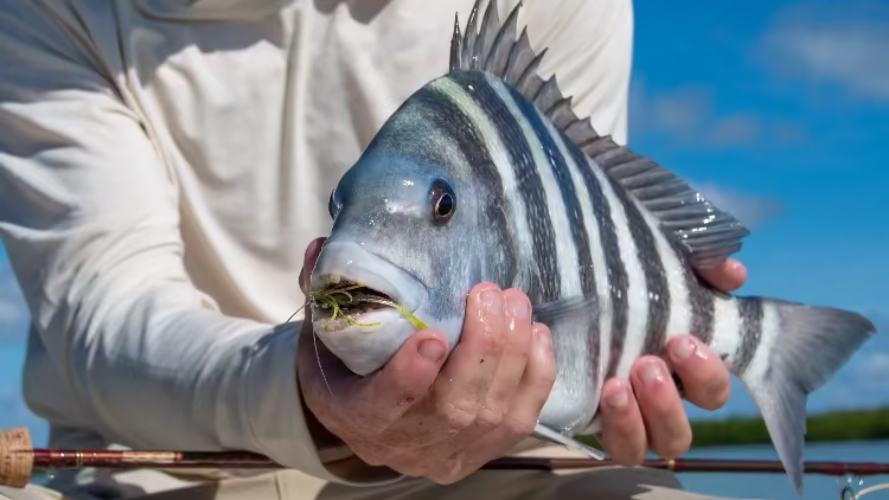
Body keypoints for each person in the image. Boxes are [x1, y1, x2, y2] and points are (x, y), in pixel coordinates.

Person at [0, 0, 748, 499]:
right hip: (155, 469)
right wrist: (307, 395)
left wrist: (621, 352)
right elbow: (102, 314)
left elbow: (574, 233)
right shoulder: (46, 13)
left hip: (498, 461)